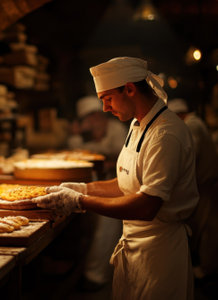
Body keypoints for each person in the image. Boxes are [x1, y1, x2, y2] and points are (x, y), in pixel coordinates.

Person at [34, 57, 199, 299]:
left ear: (129, 89)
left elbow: (146, 205)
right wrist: (84, 188)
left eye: (107, 99)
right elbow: (127, 182)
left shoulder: (166, 134)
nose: (105, 109)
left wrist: (79, 201)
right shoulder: (138, 125)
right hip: (135, 246)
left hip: (159, 253)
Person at [67, 95, 127, 290]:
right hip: (93, 181)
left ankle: (97, 275)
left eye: (94, 116)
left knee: (107, 229)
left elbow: (118, 154)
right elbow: (76, 152)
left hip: (116, 182)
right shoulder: (83, 135)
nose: (93, 121)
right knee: (91, 229)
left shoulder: (116, 129)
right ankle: (89, 270)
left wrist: (103, 155)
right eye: (88, 118)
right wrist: (79, 135)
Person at [168, 98, 218, 279]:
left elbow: (189, 154)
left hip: (207, 185)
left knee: (209, 229)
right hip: (206, 185)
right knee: (205, 228)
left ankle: (209, 272)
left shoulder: (191, 125)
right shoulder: (195, 123)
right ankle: (207, 269)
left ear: (179, 115)